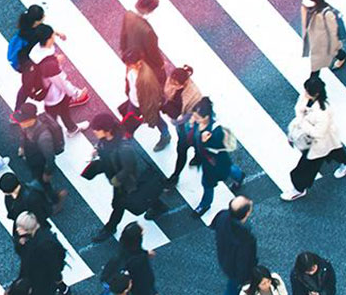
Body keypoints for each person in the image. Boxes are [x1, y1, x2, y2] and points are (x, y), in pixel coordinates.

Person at [85, 114, 165, 242]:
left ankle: (110, 228)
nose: (94, 131)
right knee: (137, 198)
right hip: (120, 178)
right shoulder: (109, 139)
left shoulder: (123, 148)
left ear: (107, 130)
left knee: (118, 205)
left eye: (97, 129)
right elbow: (104, 146)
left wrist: (116, 179)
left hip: (125, 182)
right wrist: (97, 150)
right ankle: (158, 206)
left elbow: (128, 168)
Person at [282, 76, 346, 200]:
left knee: (304, 169)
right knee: (334, 151)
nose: (304, 93)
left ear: (315, 93)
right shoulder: (308, 98)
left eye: (307, 91)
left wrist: (302, 121)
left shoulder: (323, 112)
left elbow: (318, 133)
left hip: (317, 143)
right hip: (325, 140)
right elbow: (299, 108)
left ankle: (299, 189)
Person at [176, 97, 244, 214]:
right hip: (208, 159)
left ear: (206, 117)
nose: (194, 119)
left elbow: (219, 146)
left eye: (197, 117)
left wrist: (206, 141)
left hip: (215, 161)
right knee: (228, 170)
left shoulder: (215, 131)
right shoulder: (199, 123)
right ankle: (239, 176)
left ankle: (205, 204)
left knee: (208, 183)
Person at [103, 221, 181, 295]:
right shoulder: (138, 259)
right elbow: (143, 275)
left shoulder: (124, 247)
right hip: (140, 282)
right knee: (152, 294)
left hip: (132, 281)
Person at [207, 196, 258, 295]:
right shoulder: (245, 238)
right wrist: (244, 279)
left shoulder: (223, 215)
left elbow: (212, 226)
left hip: (224, 259)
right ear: (246, 213)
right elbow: (244, 262)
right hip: (237, 272)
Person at [13, 103, 66, 208]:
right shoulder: (27, 126)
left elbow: (50, 158)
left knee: (43, 182)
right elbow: (23, 135)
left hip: (39, 162)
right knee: (38, 179)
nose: (20, 124)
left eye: (23, 121)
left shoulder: (44, 137)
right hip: (31, 157)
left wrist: (47, 172)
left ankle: (56, 200)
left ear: (32, 119)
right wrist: (22, 147)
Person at [13, 212, 69, 295]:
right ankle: (61, 290)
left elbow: (53, 264)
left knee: (43, 291)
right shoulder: (37, 235)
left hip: (41, 272)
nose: (17, 229)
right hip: (37, 268)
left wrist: (57, 277)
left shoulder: (45, 244)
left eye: (20, 228)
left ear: (28, 229)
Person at [122, 49, 168, 146]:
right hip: (134, 101)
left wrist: (149, 109)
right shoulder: (132, 69)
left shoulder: (147, 78)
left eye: (129, 64)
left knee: (157, 120)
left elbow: (153, 96)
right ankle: (129, 134)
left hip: (145, 105)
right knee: (130, 118)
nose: (128, 66)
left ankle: (165, 135)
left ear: (138, 63)